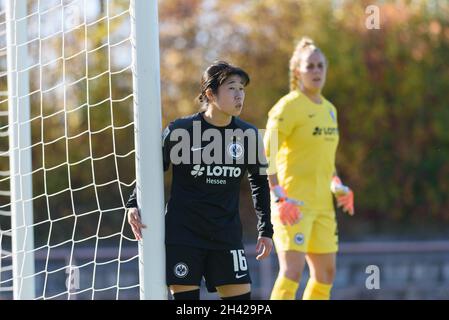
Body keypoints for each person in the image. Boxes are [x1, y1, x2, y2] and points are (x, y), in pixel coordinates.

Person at [126, 61, 273, 300]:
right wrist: (133, 203)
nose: (239, 95)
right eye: (231, 88)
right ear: (210, 93)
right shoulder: (181, 130)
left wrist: (266, 229)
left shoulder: (249, 135)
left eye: (242, 88)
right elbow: (152, 169)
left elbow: (259, 182)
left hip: (226, 236)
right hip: (183, 236)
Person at [264, 37, 354, 300]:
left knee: (326, 274)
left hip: (323, 205)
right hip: (292, 203)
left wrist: (336, 184)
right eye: (310, 66)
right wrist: (277, 194)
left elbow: (325, 157)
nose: (316, 71)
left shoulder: (330, 110)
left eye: (320, 66)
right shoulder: (288, 106)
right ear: (297, 71)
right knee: (292, 271)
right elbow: (264, 152)